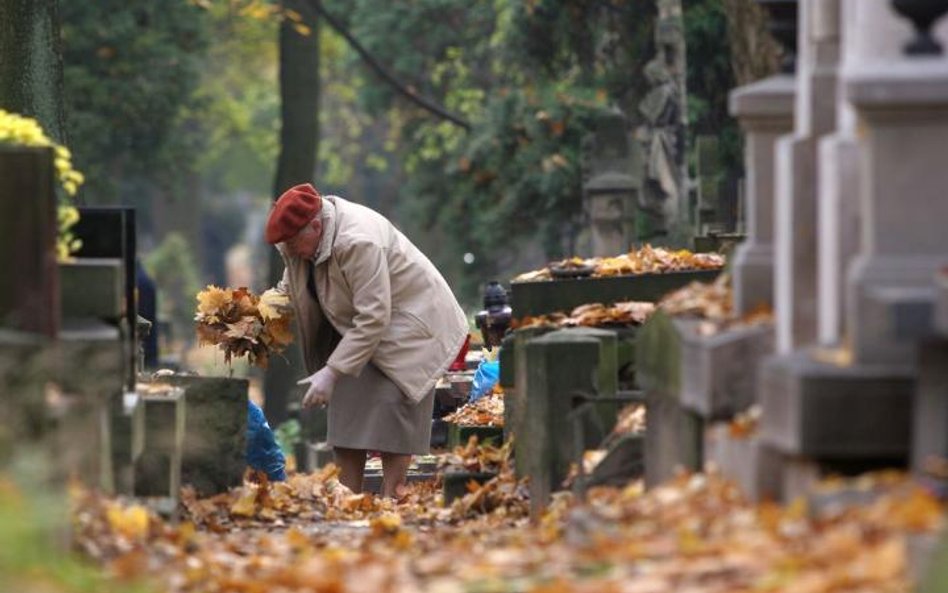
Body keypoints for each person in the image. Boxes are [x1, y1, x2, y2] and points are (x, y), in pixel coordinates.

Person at [265, 183, 468, 498]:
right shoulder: (299, 240)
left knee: (393, 413)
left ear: (316, 226)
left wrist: (331, 372)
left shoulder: (357, 240)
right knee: (346, 418)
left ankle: (392, 501)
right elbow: (290, 289)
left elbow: (373, 317)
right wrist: (255, 315)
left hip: (412, 327)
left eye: (293, 243)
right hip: (364, 327)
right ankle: (348, 501)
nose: (290, 252)